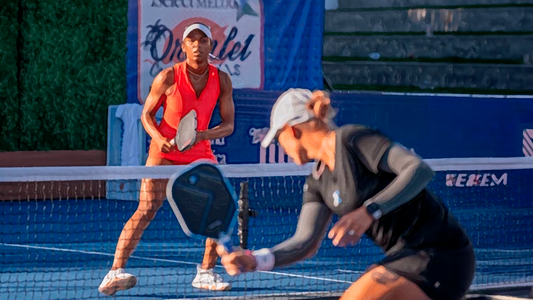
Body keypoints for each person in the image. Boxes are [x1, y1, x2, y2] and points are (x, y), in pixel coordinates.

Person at [217, 89, 476, 300]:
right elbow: (304, 242)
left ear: (292, 130)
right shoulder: (317, 182)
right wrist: (255, 259)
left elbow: (417, 169)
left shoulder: (352, 139)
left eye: (278, 139)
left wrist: (370, 211)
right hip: (405, 258)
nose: (280, 147)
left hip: (440, 254)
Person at [99, 23, 235, 295]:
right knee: (147, 207)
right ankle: (115, 272)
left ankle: (206, 272)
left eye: (203, 40)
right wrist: (160, 140)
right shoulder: (168, 77)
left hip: (200, 153)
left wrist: (201, 135)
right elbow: (146, 115)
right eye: (191, 40)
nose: (197, 45)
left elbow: (228, 125)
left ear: (211, 46)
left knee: (218, 209)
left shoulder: (221, 79)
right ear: (183, 46)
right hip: (163, 154)